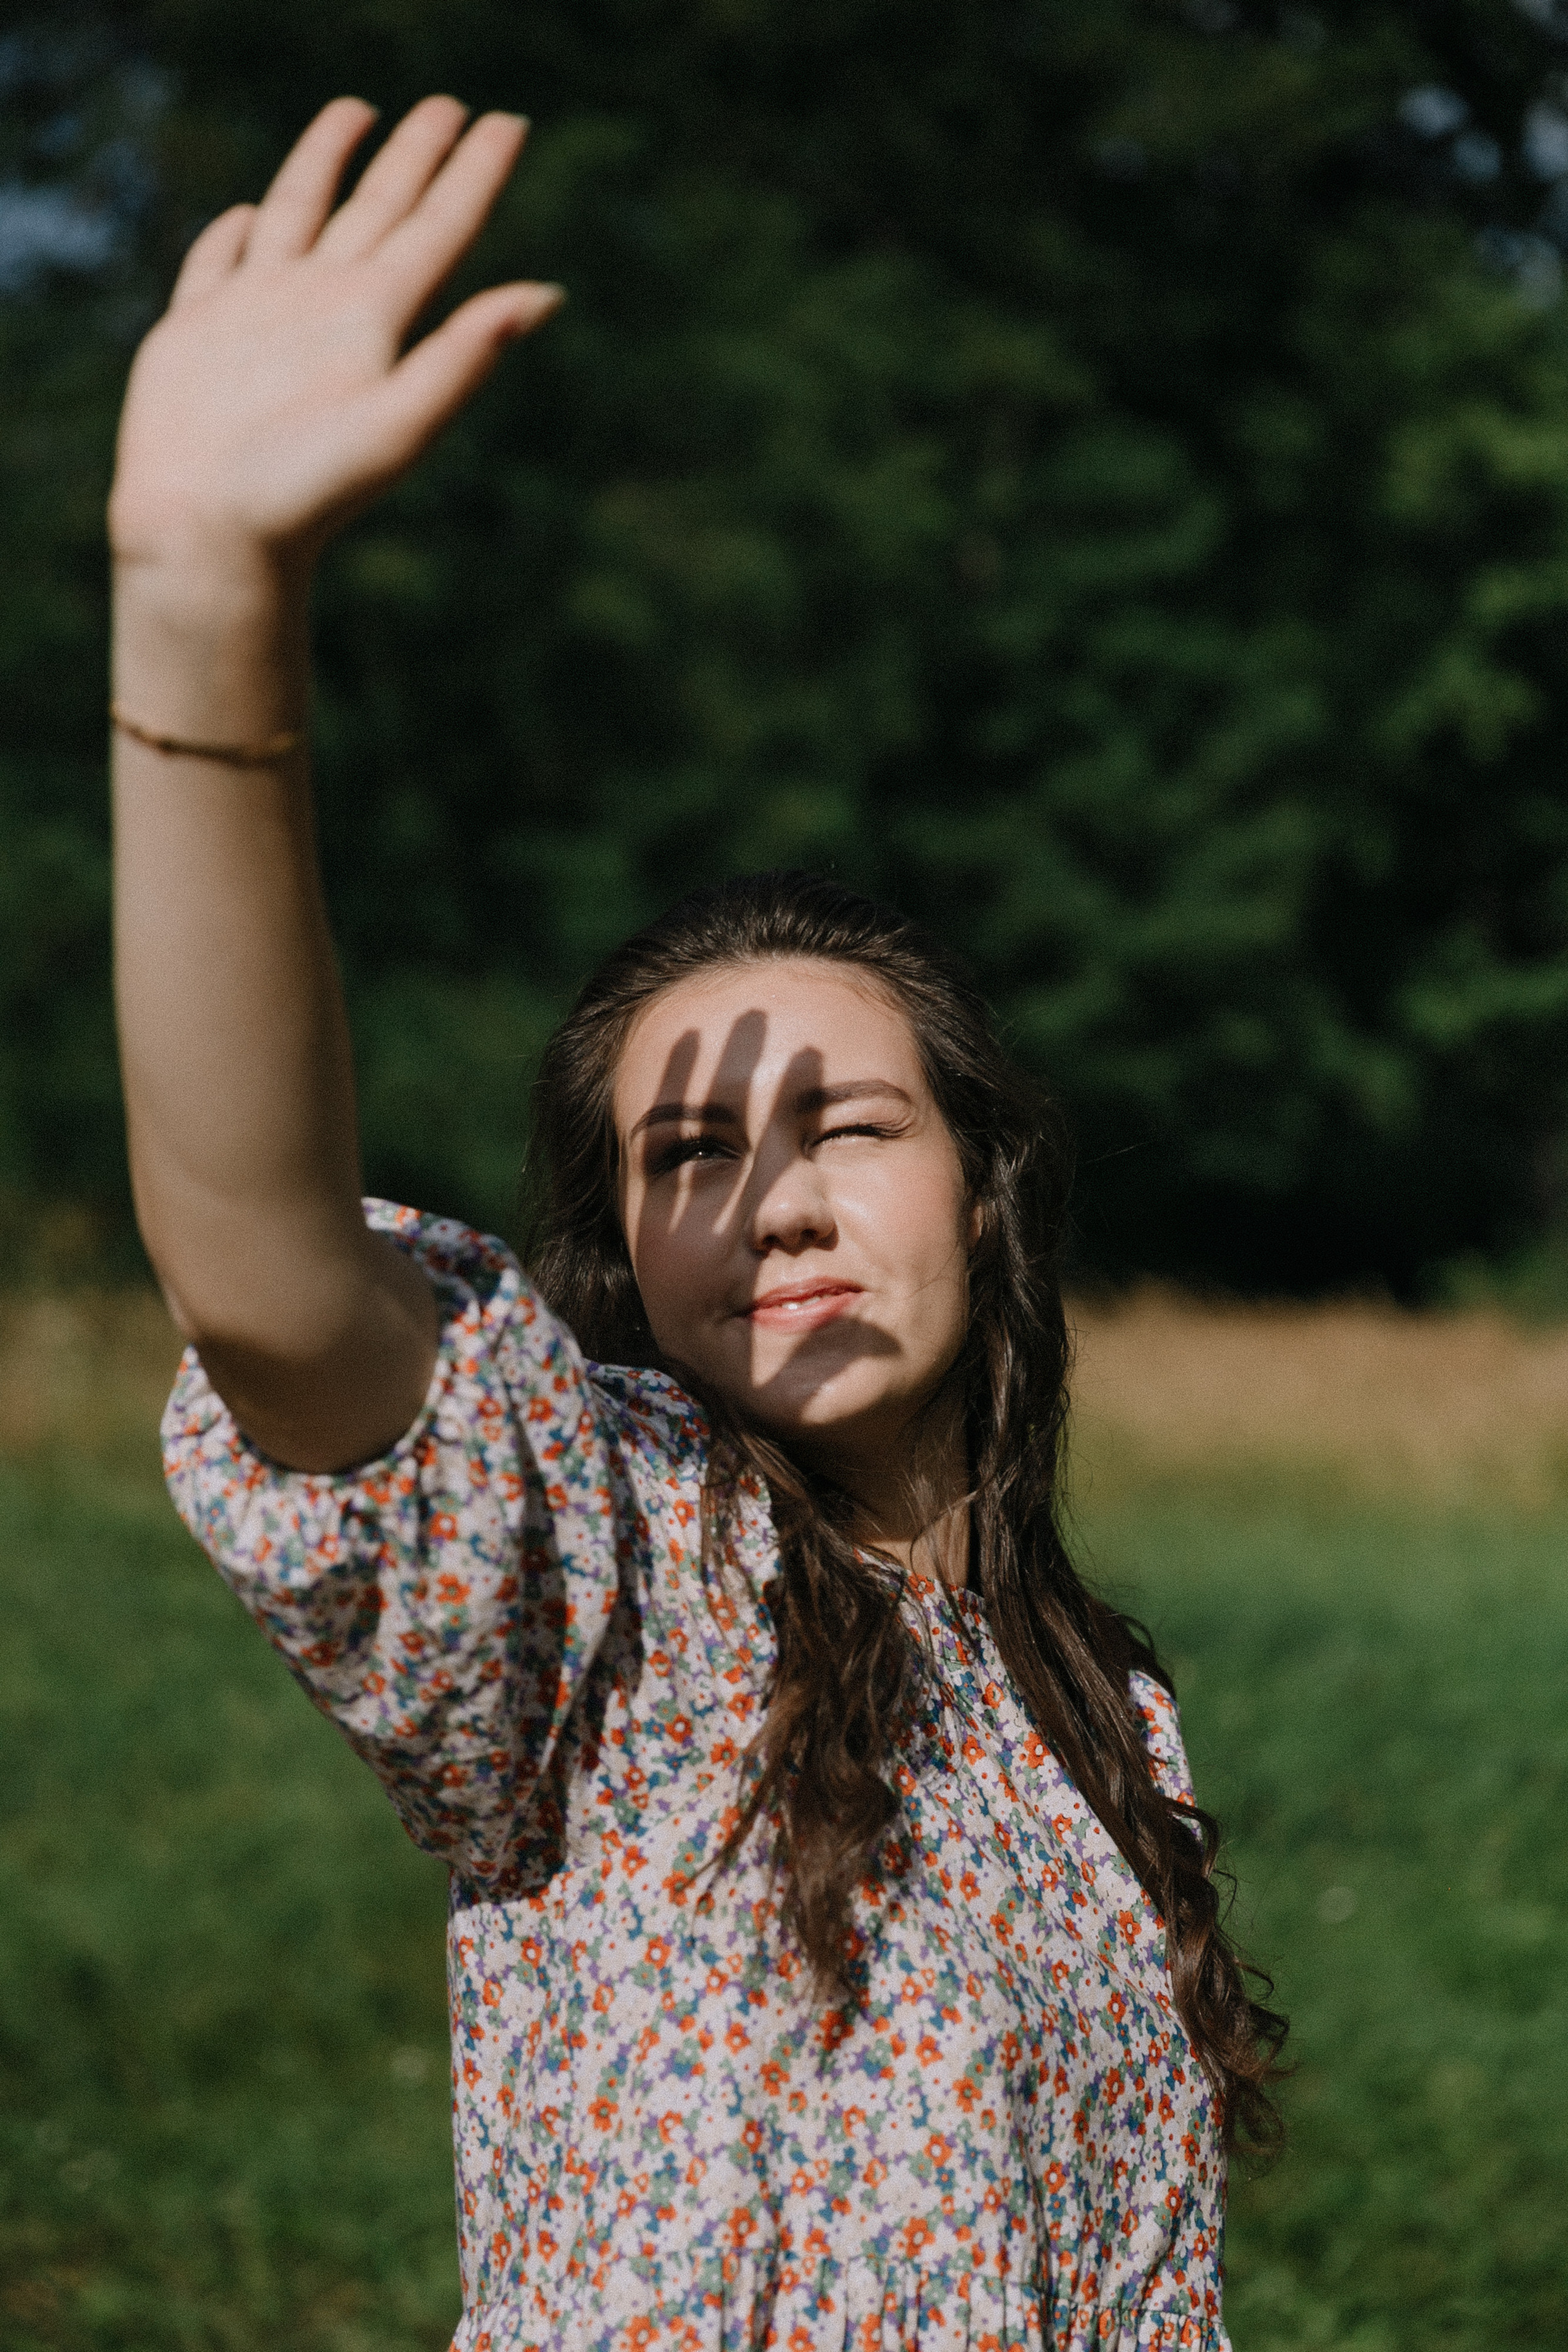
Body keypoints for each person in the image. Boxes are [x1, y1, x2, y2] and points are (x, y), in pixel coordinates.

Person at [110, 95, 1285, 2352]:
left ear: (986, 1175)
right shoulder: (602, 1554)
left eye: (839, 1122)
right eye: (683, 1156)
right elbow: (259, 1273)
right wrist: (202, 620)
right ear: (624, 1248)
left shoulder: (1110, 1712)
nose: (766, 1203)